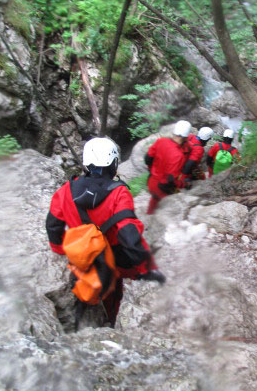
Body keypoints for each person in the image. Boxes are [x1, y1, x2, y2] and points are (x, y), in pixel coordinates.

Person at [46, 137, 164, 327]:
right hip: (112, 254)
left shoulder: (66, 189)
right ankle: (111, 319)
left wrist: (62, 250)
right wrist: (145, 268)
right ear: (114, 163)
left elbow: (53, 225)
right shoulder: (119, 193)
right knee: (115, 287)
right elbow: (128, 234)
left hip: (82, 251)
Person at [144, 120, 192, 215]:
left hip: (151, 181)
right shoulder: (178, 155)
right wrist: (184, 184)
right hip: (162, 187)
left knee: (154, 199)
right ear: (185, 137)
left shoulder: (161, 141)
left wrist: (152, 169)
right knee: (169, 209)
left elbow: (147, 159)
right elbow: (171, 180)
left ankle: (149, 215)